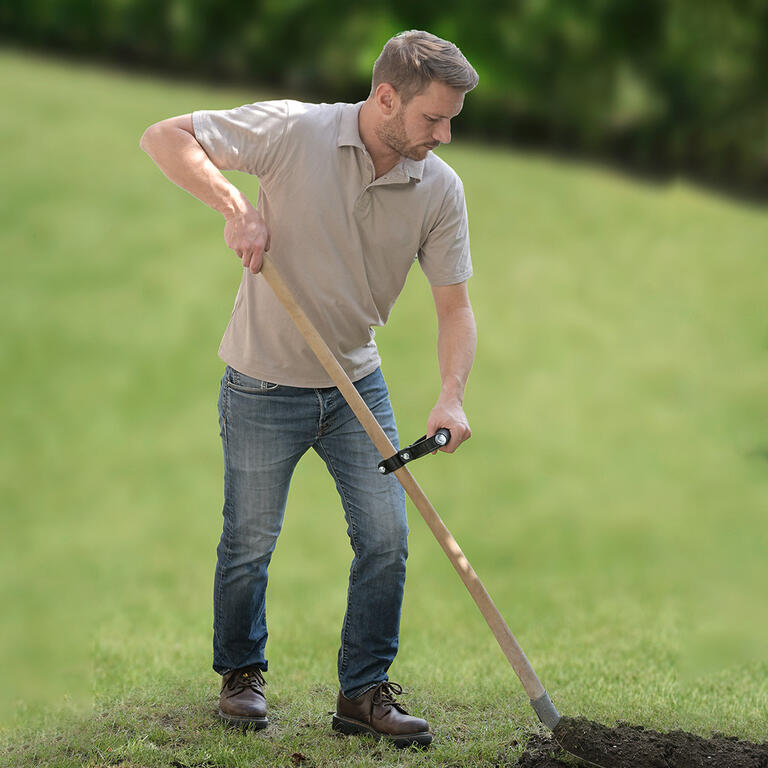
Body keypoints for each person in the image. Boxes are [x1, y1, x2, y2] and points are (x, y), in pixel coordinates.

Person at [139, 29, 478, 748]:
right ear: (386, 97)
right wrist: (237, 206)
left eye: (452, 119)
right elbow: (164, 136)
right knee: (251, 541)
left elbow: (456, 307)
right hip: (262, 384)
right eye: (432, 118)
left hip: (357, 382)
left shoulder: (438, 189)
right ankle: (241, 675)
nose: (445, 134)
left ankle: (362, 693)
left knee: (387, 537)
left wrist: (451, 392)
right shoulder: (295, 131)